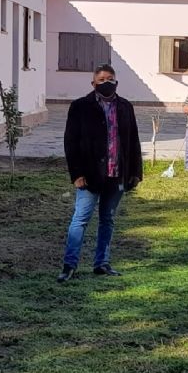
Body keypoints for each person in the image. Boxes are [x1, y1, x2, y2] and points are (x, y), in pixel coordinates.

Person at [57, 64, 143, 283]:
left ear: (116, 82)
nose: (106, 82)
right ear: (93, 83)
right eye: (102, 79)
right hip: (89, 176)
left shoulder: (125, 107)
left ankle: (102, 263)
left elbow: (133, 141)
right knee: (80, 219)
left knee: (108, 220)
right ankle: (69, 265)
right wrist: (76, 174)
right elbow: (71, 143)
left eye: (110, 78)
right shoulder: (80, 107)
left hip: (117, 174)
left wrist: (135, 172)